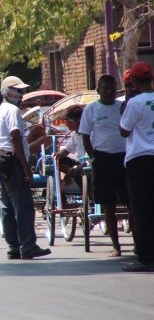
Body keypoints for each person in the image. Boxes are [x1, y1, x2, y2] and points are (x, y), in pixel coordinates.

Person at [0, 76, 51, 260]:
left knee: (8, 207)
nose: (22, 94)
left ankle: (14, 246)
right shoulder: (12, 110)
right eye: (19, 91)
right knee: (23, 206)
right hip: (13, 162)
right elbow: (15, 138)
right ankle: (27, 245)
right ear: (9, 92)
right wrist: (26, 167)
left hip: (3, 161)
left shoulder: (3, 108)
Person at [79, 75, 133, 258]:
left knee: (131, 203)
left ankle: (138, 243)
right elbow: (85, 137)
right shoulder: (91, 109)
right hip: (102, 160)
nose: (109, 91)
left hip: (125, 159)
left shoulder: (123, 107)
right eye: (105, 88)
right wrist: (93, 158)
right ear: (98, 90)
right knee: (108, 205)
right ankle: (116, 246)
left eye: (112, 88)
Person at [119, 61, 154, 271]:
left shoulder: (135, 103)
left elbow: (124, 131)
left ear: (132, 80)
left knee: (142, 211)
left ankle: (145, 257)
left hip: (139, 161)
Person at [54, 105, 85, 188]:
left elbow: (89, 161)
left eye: (66, 120)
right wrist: (58, 154)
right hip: (79, 165)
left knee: (76, 171)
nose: (65, 123)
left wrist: (73, 169)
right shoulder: (75, 134)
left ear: (73, 121)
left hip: (88, 165)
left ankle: (90, 193)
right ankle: (73, 173)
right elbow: (66, 150)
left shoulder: (88, 134)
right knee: (57, 160)